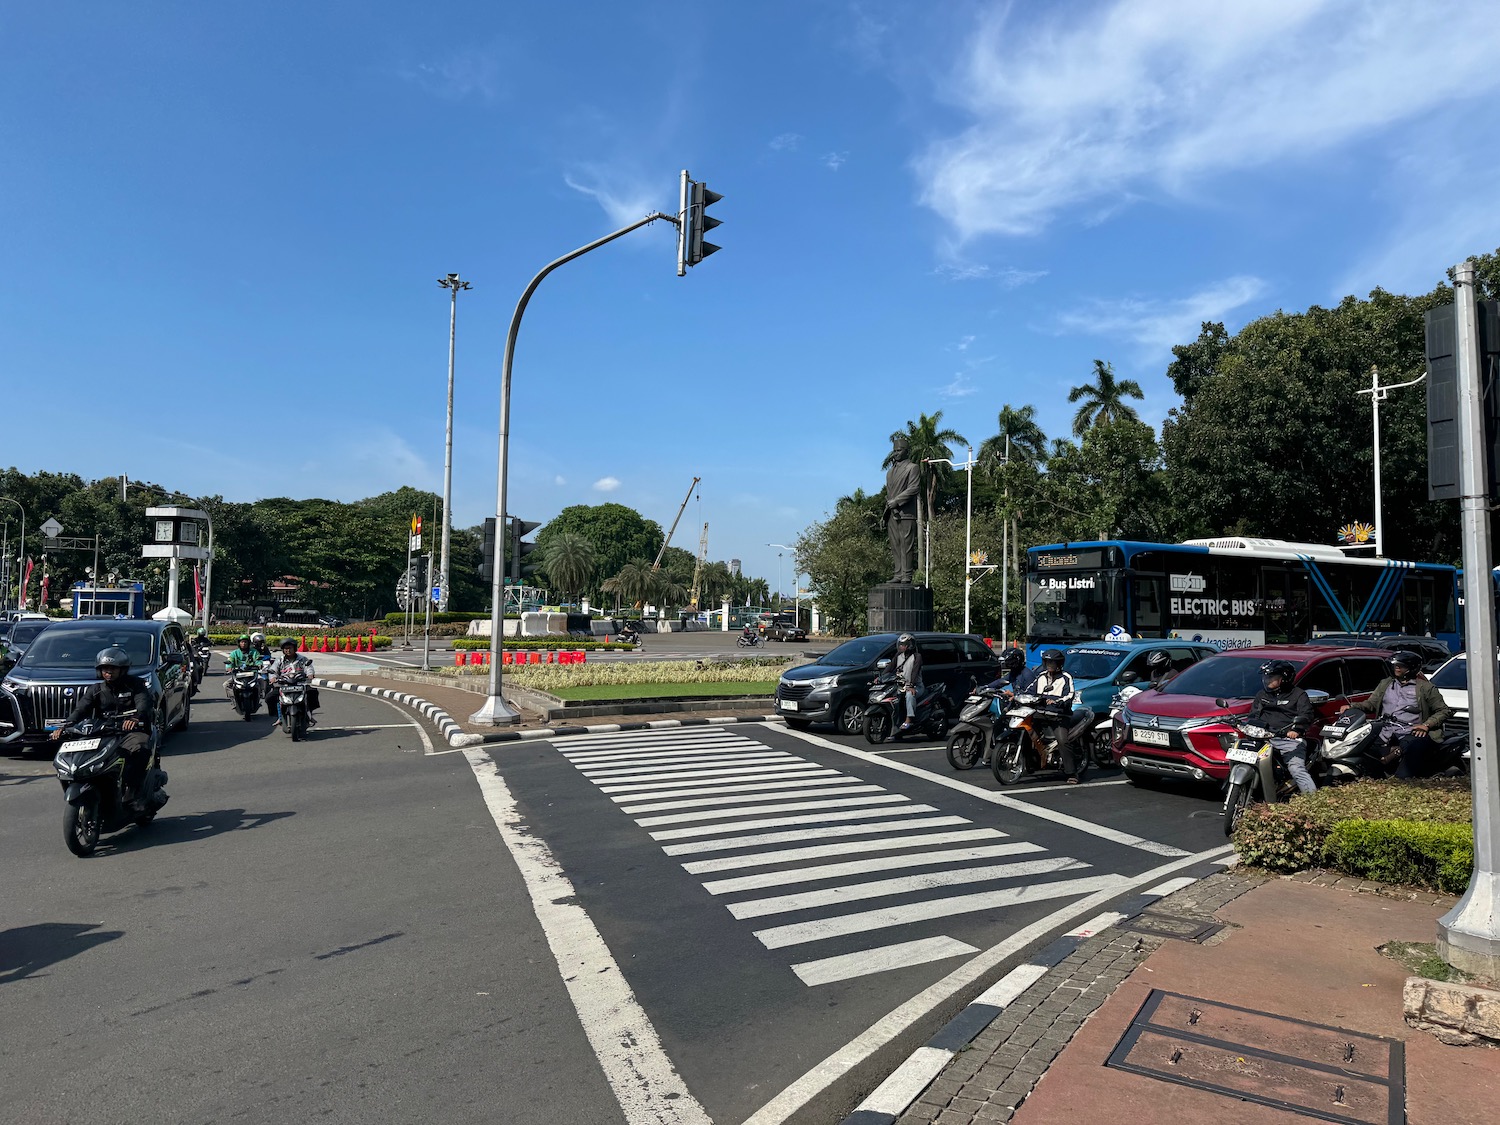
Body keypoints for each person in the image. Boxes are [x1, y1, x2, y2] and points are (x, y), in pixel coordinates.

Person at [50, 647, 156, 800]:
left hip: (130, 731)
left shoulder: (136, 685)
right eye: (105, 668)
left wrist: (135, 718)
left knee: (139, 749)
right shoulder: (96, 690)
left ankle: (133, 791)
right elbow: (80, 710)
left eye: (113, 668)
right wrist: (64, 726)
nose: (109, 672)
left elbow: (143, 704)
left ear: (122, 669)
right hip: (103, 732)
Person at [1354, 650, 1451, 778]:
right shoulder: (1386, 684)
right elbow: (1371, 704)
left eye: (1401, 666)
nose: (1397, 668)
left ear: (1411, 668)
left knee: (1411, 749)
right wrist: (1353, 707)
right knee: (1363, 747)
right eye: (1395, 665)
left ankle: (1402, 779)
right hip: (1385, 731)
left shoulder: (1426, 688)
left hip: (1412, 733)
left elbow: (1444, 710)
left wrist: (1426, 725)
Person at [1246, 659, 1317, 794]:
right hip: (1263, 738)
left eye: (1271, 677)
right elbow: (1253, 715)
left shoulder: (1299, 695)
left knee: (1297, 769)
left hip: (1288, 740)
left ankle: (1313, 800)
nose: (1267, 680)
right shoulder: (1262, 694)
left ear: (1284, 679)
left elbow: (1306, 715)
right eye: (1265, 677)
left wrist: (1297, 729)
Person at [1034, 649, 1083, 782]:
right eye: (1047, 662)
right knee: (1027, 731)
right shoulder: (1040, 676)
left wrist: (1057, 702)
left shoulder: (1066, 677)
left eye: (1052, 662)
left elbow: (1069, 695)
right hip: (1040, 713)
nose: (1049, 665)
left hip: (1059, 715)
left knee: (1063, 741)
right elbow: (1030, 690)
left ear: (1059, 664)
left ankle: (1072, 773)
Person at [882, 437, 921, 583]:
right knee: (895, 545)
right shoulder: (890, 472)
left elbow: (914, 488)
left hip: (906, 514)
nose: (896, 453)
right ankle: (898, 574)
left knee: (906, 545)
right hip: (892, 514)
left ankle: (906, 575)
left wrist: (897, 501)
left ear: (906, 451)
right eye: (894, 451)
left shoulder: (912, 468)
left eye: (899, 450)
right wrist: (887, 511)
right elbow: (889, 493)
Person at [267, 637, 319, 724]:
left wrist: (310, 674)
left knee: (313, 692)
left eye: (290, 648)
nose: (288, 650)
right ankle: (279, 716)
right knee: (270, 697)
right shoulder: (279, 660)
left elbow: (308, 667)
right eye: (286, 648)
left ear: (294, 648)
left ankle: (309, 713)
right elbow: (273, 670)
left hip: (300, 683)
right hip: (284, 684)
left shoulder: (302, 659)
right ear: (283, 650)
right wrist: (273, 677)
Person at [895, 633, 923, 732]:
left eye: (904, 645)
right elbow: (890, 667)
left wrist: (911, 685)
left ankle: (909, 719)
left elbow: (915, 672)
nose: (901, 646)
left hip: (916, 686)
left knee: (909, 695)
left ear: (910, 645)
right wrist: (880, 678)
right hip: (900, 686)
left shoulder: (917, 656)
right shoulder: (898, 656)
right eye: (900, 644)